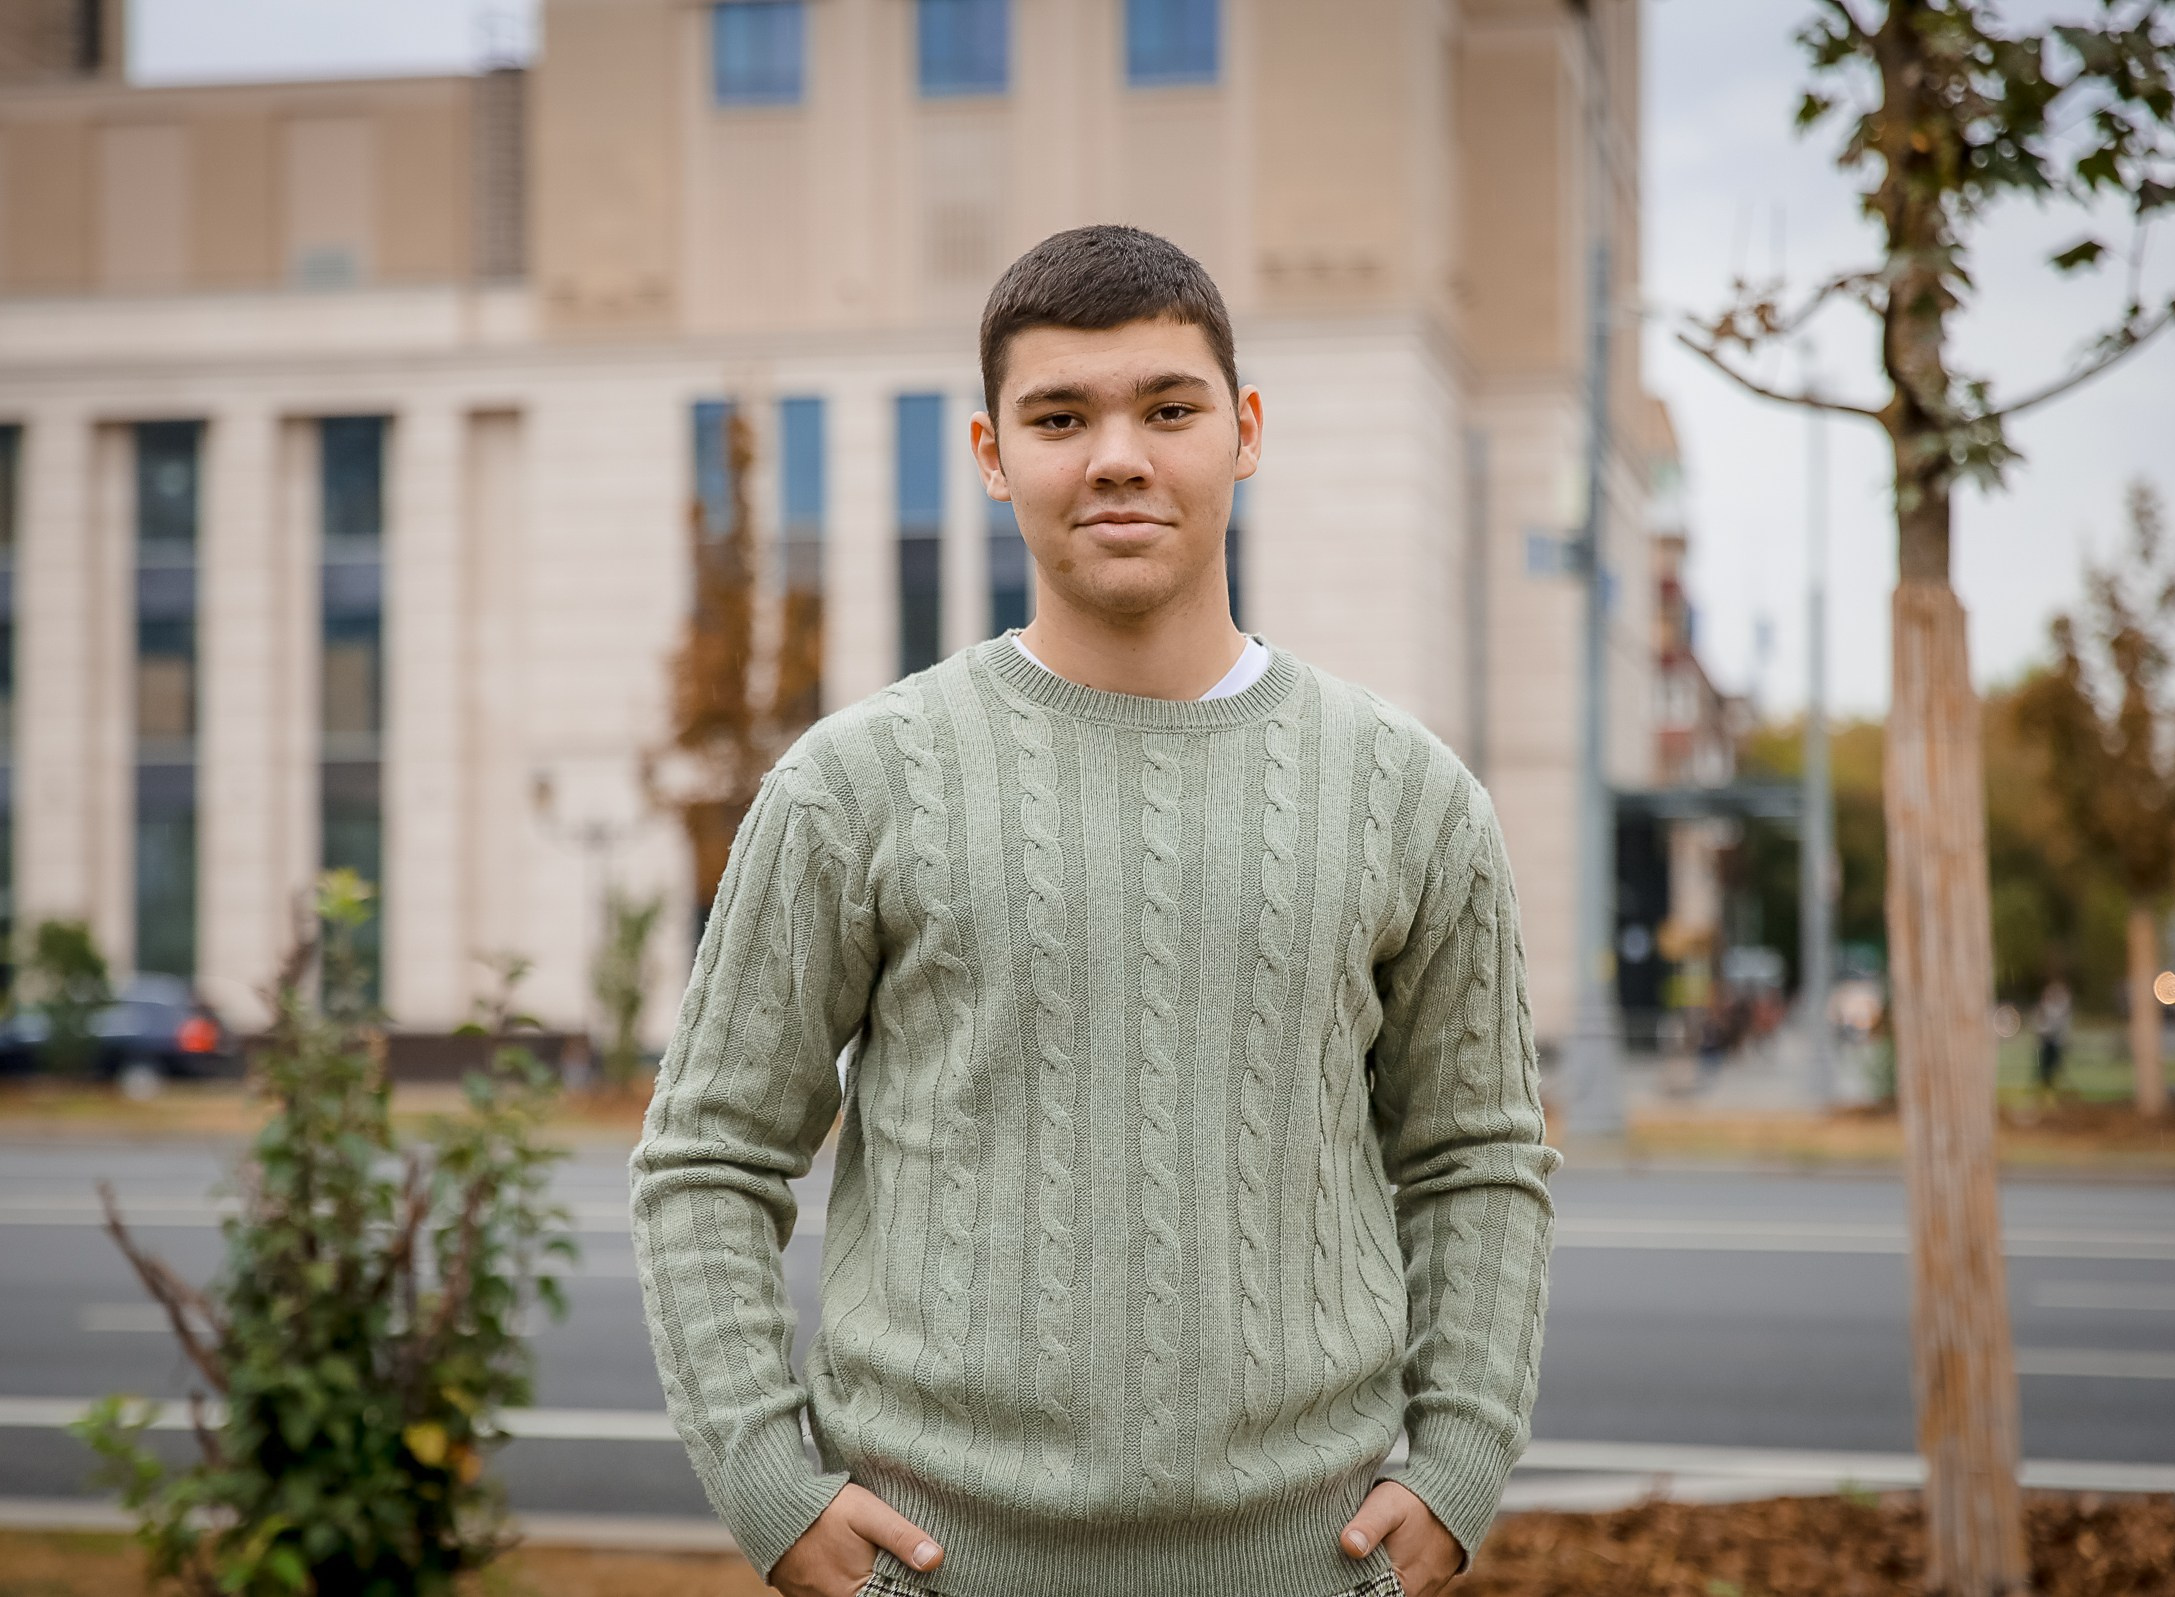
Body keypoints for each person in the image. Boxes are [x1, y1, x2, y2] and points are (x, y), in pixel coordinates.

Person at [630, 225, 1558, 1597]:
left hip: (1314, 1568)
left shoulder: (1409, 796)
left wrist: (1461, 1461)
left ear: (1243, 432)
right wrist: (773, 1488)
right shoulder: (854, 783)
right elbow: (707, 1155)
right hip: (937, 1572)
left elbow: (1476, 1158)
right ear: (992, 453)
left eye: (1167, 408)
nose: (1117, 454)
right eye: (1060, 415)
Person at [2034, 978, 2073, 1097]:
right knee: (2046, 1064)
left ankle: (2050, 1083)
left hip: (2054, 1040)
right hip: (2047, 1040)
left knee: (2054, 1063)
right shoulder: (2046, 1008)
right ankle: (2045, 1083)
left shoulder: (2056, 1008)